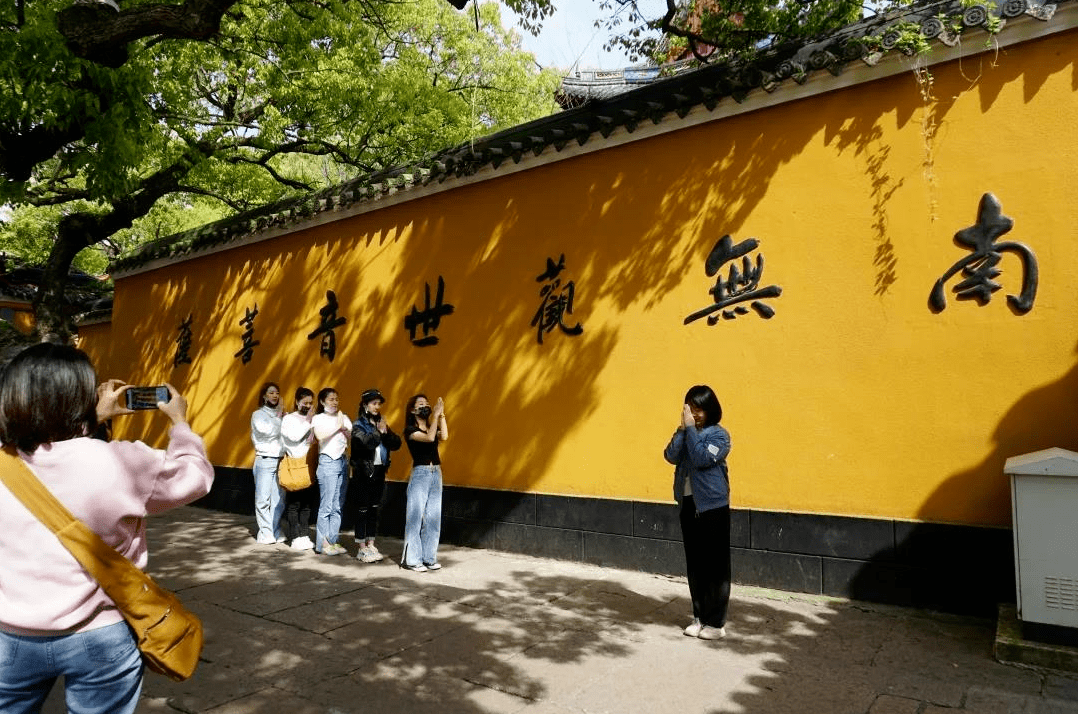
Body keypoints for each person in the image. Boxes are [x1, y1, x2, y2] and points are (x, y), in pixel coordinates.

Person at [0, 342, 213, 713]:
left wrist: (92, 420)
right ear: (81, 396)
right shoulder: (122, 461)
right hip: (101, 633)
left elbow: (53, 453)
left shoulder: (5, 463)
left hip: (11, 635)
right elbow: (195, 478)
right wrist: (180, 423)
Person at [663, 384, 732, 641]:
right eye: (690, 408)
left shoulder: (720, 436)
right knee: (695, 564)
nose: (695, 413)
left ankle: (716, 623)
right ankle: (699, 617)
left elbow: (702, 458)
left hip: (713, 506)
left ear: (710, 409)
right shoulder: (687, 431)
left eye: (699, 408)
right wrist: (683, 429)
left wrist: (691, 430)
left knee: (716, 565)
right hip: (689, 505)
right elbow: (670, 455)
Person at [348, 388, 402, 563]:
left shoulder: (381, 424)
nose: (377, 407)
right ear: (365, 405)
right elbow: (364, 443)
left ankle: (371, 544)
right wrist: (378, 432)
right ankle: (361, 548)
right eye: (373, 403)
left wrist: (385, 432)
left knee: (373, 509)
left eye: (379, 404)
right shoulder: (358, 425)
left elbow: (396, 444)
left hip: (379, 471)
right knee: (362, 509)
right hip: (363, 472)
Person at [401, 393, 448, 572]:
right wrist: (435, 416)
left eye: (427, 403)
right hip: (420, 474)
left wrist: (441, 414)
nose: (425, 406)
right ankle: (413, 560)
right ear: (413, 410)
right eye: (421, 404)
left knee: (433, 518)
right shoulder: (410, 430)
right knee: (415, 517)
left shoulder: (431, 425)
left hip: (436, 472)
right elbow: (429, 438)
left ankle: (429, 558)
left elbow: (443, 436)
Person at [311, 387, 350, 555]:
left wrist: (343, 427)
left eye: (336, 399)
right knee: (326, 505)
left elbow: (350, 434)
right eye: (331, 399)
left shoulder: (344, 416)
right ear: (322, 402)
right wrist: (338, 427)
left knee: (337, 505)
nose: (335, 402)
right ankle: (322, 543)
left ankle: (333, 541)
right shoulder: (318, 418)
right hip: (328, 461)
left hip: (342, 461)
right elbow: (320, 435)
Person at [280, 387, 317, 551]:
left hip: (309, 463)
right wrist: (308, 422)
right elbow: (293, 438)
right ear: (297, 402)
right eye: (305, 403)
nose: (308, 406)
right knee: (294, 504)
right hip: (295, 464)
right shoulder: (289, 419)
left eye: (310, 403)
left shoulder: (312, 419)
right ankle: (295, 536)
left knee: (307, 504)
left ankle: (304, 535)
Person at [250, 382, 285, 545]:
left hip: (280, 459)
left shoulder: (283, 415)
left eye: (277, 393)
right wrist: (279, 418)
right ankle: (264, 532)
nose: (275, 395)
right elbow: (266, 432)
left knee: (279, 500)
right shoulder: (258, 415)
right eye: (271, 393)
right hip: (264, 459)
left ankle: (274, 530)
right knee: (263, 499)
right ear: (264, 396)